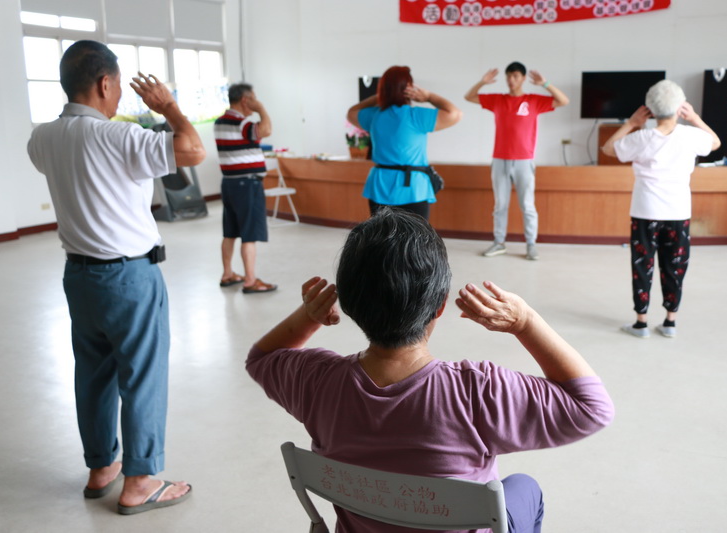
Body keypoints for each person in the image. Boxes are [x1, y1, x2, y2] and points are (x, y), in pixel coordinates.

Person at [246, 208, 614, 533]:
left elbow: (261, 358)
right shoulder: (477, 393)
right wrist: (526, 322)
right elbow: (592, 408)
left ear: (350, 303)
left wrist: (307, 317)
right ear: (440, 306)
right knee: (525, 487)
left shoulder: (317, 382)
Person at [27, 40, 205, 514]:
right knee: (142, 377)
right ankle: (140, 481)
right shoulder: (119, 137)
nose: (121, 96)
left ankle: (101, 467)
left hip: (79, 277)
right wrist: (167, 106)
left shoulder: (41, 138)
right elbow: (193, 150)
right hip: (129, 277)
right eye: (119, 85)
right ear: (105, 83)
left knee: (94, 375)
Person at [601, 80, 720, 338]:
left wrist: (632, 123)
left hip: (645, 212)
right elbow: (715, 142)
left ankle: (641, 323)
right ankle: (670, 322)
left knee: (642, 265)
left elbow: (608, 148)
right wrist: (696, 118)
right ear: (680, 108)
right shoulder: (691, 136)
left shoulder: (641, 138)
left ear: (650, 110)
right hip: (678, 213)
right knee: (675, 266)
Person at [465, 63, 569, 260]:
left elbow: (563, 101)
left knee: (527, 205)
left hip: (524, 161)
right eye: (508, 76)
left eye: (515, 76)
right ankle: (499, 242)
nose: (511, 80)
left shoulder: (534, 101)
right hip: (500, 160)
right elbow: (469, 97)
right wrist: (482, 82)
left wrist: (545, 83)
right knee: (500, 205)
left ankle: (531, 244)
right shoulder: (497, 100)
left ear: (522, 78)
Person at [346, 66, 462, 220]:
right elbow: (455, 113)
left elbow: (351, 112)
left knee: (381, 238)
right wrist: (429, 97)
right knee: (416, 239)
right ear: (409, 88)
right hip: (413, 188)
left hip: (380, 184)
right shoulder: (416, 116)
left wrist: (378, 98)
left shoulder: (374, 116)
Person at [214, 83, 277, 293]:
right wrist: (261, 109)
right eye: (254, 98)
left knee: (230, 232)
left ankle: (227, 273)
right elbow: (266, 130)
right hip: (248, 184)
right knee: (249, 234)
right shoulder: (241, 123)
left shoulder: (220, 122)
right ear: (245, 100)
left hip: (229, 183)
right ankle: (250, 280)